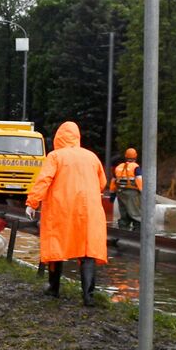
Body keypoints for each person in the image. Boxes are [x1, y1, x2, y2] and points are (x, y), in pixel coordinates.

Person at [25, 121, 108, 306]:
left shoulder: (55, 156)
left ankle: (54, 288)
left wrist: (32, 203)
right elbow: (102, 183)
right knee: (88, 249)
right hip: (89, 210)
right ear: (78, 137)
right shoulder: (92, 157)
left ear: (58, 137)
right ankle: (88, 296)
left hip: (61, 208)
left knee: (56, 245)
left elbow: (44, 180)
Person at [110, 147, 144, 231]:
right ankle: (137, 236)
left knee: (124, 216)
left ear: (125, 156)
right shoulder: (136, 167)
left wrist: (112, 194)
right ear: (136, 156)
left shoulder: (118, 167)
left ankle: (123, 234)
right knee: (136, 215)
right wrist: (143, 193)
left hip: (120, 193)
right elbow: (139, 180)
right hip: (132, 194)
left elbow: (113, 181)